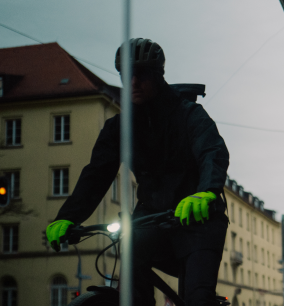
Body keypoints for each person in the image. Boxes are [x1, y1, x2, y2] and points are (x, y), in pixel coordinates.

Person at [44, 38, 231, 306]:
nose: (133, 82)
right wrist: (67, 217)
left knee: (197, 299)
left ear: (158, 76)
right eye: (126, 75)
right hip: (152, 218)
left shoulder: (189, 114)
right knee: (131, 286)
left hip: (198, 219)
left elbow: (212, 151)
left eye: (141, 75)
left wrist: (207, 192)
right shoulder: (119, 127)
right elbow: (96, 174)